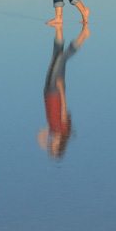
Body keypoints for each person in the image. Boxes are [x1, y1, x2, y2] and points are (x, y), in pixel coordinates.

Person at [36, 20, 90, 160]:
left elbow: (39, 135)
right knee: (61, 58)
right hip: (56, 91)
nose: (51, 144)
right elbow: (64, 109)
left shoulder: (53, 131)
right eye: (54, 147)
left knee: (55, 56)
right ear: (60, 145)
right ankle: (83, 37)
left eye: (51, 147)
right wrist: (61, 89)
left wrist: (43, 143)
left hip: (47, 92)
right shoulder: (63, 130)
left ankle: (59, 30)